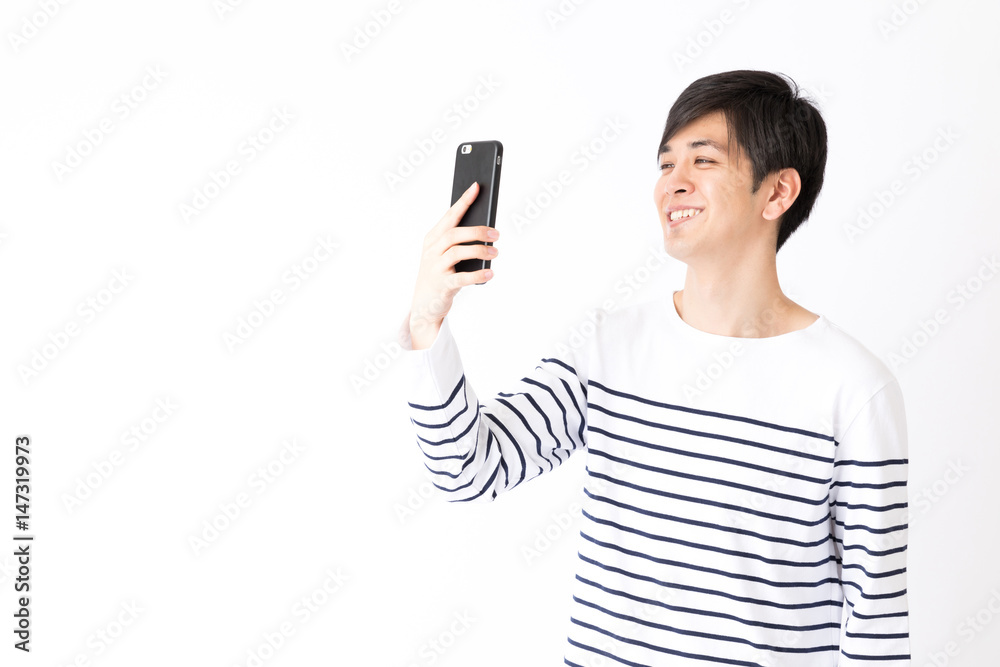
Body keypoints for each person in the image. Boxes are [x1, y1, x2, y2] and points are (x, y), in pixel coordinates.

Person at [398, 70, 909, 666]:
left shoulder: (855, 390)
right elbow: (469, 470)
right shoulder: (605, 349)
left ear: (777, 193)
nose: (674, 184)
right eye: (666, 165)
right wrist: (427, 320)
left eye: (704, 161)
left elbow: (876, 623)